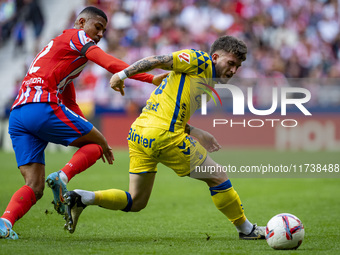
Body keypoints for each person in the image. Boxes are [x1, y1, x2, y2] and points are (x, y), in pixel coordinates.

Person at [63, 35, 266, 240]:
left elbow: (170, 111)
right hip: (164, 135)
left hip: (139, 133)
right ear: (214, 57)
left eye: (237, 67)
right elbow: (158, 60)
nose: (233, 70)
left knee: (137, 200)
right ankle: (247, 230)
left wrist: (195, 131)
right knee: (218, 177)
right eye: (231, 63)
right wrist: (122, 75)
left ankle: (82, 197)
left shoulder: (203, 81)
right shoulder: (200, 60)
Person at [0, 6, 165, 240]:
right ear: (80, 22)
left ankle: (5, 222)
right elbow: (109, 63)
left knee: (34, 186)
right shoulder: (78, 37)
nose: (99, 35)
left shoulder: (60, 48)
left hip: (18, 114)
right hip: (41, 106)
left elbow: (70, 101)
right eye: (97, 27)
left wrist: (88, 127)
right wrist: (149, 78)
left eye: (103, 31)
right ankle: (62, 177)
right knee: (98, 146)